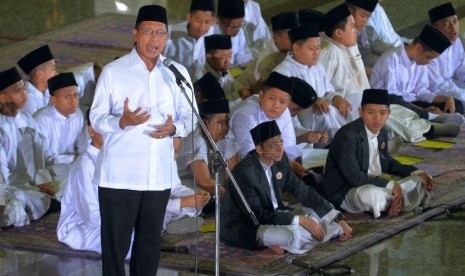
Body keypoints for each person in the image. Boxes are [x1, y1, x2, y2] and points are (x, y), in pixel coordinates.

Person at [89, 5, 197, 276]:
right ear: (135, 33)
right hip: (119, 175)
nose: (154, 39)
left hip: (157, 175)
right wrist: (122, 122)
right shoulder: (114, 71)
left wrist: (174, 129)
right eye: (148, 32)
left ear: (167, 37)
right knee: (115, 247)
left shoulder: (177, 73)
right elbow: (96, 117)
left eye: (160, 33)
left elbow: (191, 116)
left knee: (149, 244)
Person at [220, 120, 352, 254]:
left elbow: (303, 191)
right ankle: (289, 240)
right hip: (248, 225)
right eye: (273, 145)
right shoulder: (245, 172)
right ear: (259, 149)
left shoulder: (280, 160)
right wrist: (301, 221)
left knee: (316, 215)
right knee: (288, 235)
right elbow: (258, 214)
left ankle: (288, 243)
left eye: (281, 142)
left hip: (275, 215)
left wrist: (337, 219)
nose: (280, 149)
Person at [318, 89, 436, 218]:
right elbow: (353, 177)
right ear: (361, 112)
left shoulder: (382, 130)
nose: (377, 118)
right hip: (345, 190)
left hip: (374, 183)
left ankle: (394, 202)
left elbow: (387, 163)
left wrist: (416, 172)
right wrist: (391, 185)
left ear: (388, 113)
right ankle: (397, 201)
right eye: (371, 113)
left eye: (382, 113)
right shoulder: (348, 135)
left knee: (422, 179)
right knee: (371, 195)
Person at [371, 24, 465, 122]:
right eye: (429, 57)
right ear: (419, 48)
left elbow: (421, 91)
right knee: (398, 103)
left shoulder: (419, 61)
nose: (429, 62)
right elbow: (392, 98)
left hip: (413, 103)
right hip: (393, 106)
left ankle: (433, 118)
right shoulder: (391, 59)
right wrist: (422, 110)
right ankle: (431, 118)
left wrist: (445, 98)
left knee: (456, 104)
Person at [273, 23, 347, 139]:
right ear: (296, 49)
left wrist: (335, 97)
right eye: (312, 49)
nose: (317, 53)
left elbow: (327, 91)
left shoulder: (317, 67)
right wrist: (312, 101)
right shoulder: (282, 72)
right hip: (299, 120)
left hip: (324, 114)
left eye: (318, 48)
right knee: (318, 112)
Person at [0, 67, 52, 225]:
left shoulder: (27, 120)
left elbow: (39, 156)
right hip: (6, 188)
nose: (25, 94)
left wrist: (43, 180)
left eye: (23, 89)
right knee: (18, 202)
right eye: (18, 91)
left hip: (24, 185)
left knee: (67, 175)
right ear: (2, 97)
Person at [178, 98, 240, 201]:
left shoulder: (219, 137)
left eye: (227, 122)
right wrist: (231, 201)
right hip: (181, 188)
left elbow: (232, 172)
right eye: (220, 122)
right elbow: (203, 180)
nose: (225, 127)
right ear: (206, 122)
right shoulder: (196, 140)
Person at [235, 11, 299, 98]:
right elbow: (266, 94)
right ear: (276, 37)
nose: (296, 40)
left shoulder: (286, 47)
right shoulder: (267, 62)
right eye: (290, 37)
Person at [163, 0, 215, 77]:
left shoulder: (211, 32)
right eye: (198, 20)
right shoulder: (170, 33)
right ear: (189, 17)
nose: (202, 27)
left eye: (207, 22)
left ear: (213, 21)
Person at [427, 3, 465, 108]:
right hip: (434, 91)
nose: (454, 28)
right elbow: (437, 84)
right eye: (446, 24)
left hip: (450, 83)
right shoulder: (428, 49)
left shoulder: (456, 42)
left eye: (455, 21)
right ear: (434, 28)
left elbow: (461, 69)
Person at [358, 0, 412, 67]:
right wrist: (394, 58)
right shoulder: (363, 13)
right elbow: (368, 54)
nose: (365, 20)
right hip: (387, 52)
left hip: (396, 46)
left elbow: (392, 36)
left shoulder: (377, 7)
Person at [197, 34, 240, 106]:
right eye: (223, 57)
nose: (228, 61)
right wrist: (240, 94)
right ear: (209, 57)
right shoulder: (201, 77)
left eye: (230, 56)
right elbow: (216, 107)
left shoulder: (222, 69)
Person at [17, 44, 57, 116]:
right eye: (53, 69)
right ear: (40, 74)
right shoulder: (27, 100)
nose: (56, 73)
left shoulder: (48, 91)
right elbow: (39, 125)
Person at [213, 0, 252, 67]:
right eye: (233, 26)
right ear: (218, 20)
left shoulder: (240, 32)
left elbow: (241, 52)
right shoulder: (209, 35)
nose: (237, 30)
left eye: (240, 25)